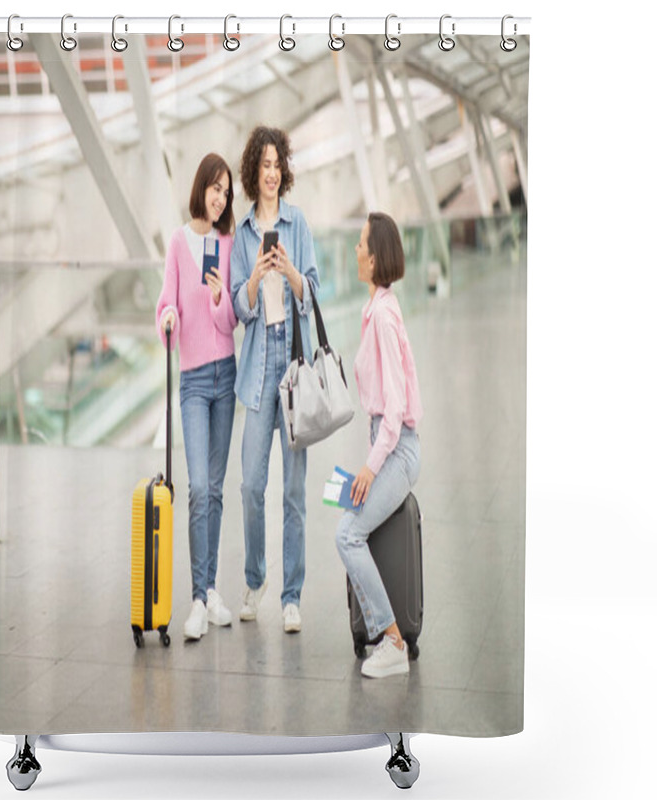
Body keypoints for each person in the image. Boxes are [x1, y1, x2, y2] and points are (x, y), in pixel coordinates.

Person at [230, 125, 320, 634]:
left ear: (284, 171)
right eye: (263, 164)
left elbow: (313, 291)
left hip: (293, 366)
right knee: (250, 484)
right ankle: (255, 578)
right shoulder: (243, 233)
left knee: (293, 491)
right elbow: (240, 312)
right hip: (258, 371)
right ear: (254, 172)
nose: (271, 172)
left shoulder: (298, 222)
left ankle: (291, 595)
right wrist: (254, 279)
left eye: (277, 163)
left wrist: (287, 272)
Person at [335, 212, 423, 678]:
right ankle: (382, 633)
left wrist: (369, 469)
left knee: (346, 535)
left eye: (361, 243)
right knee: (346, 514)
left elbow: (394, 409)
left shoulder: (385, 317)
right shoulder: (376, 309)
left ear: (376, 255)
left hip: (397, 449)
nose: (355, 249)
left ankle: (392, 642)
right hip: (385, 445)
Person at [156, 153, 238, 641]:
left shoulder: (226, 245)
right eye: (215, 187)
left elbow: (229, 323)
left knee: (217, 489)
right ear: (200, 188)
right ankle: (197, 599)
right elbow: (167, 302)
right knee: (198, 488)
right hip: (191, 381)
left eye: (226, 192)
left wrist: (217, 298)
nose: (220, 197)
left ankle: (210, 591)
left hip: (225, 377)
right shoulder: (178, 242)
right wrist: (168, 319)